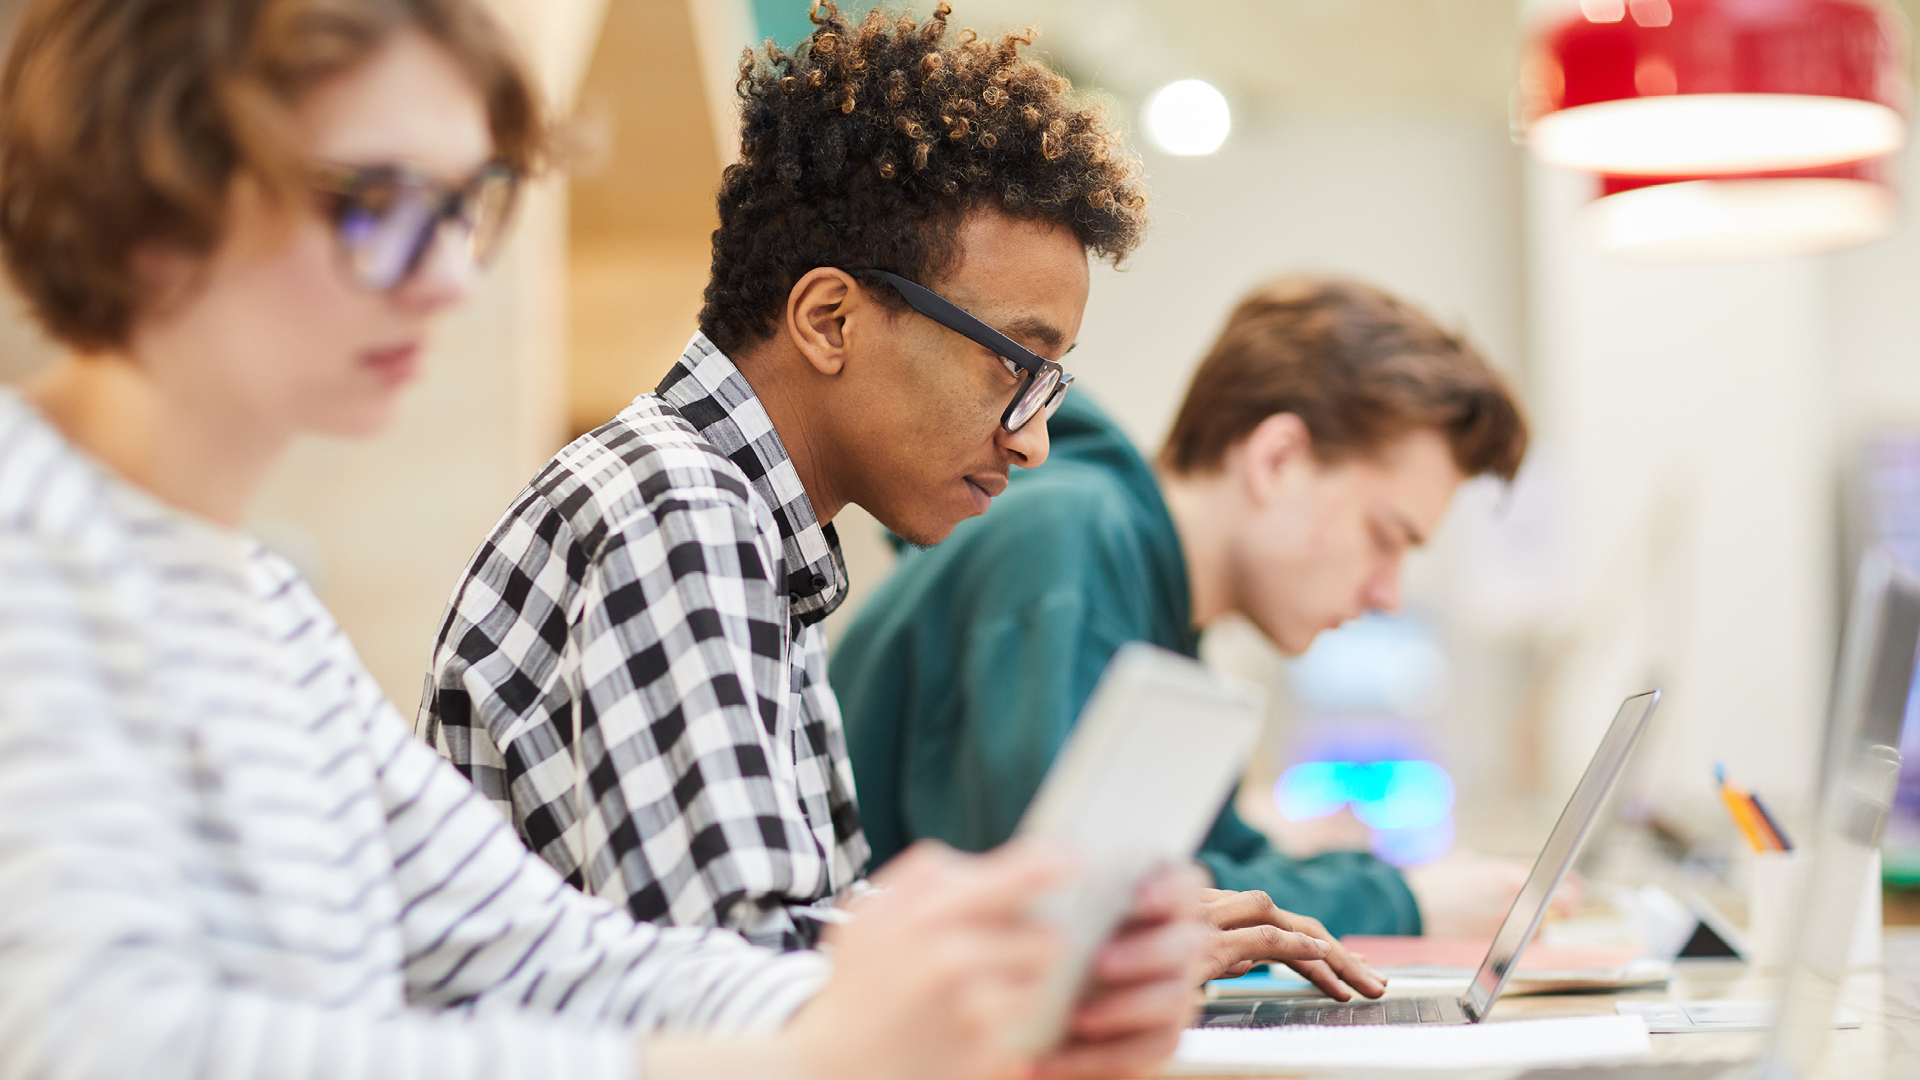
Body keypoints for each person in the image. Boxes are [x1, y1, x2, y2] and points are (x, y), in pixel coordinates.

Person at [0, 0, 1205, 1076]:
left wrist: (982, 1003)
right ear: (151, 192)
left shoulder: (258, 608)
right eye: (377, 207)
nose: (450, 282)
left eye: (471, 209)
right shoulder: (29, 552)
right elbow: (99, 1045)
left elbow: (548, 955)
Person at [416, 0, 1383, 997]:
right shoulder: (678, 508)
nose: (1036, 439)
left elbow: (794, 922)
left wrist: (1078, 930)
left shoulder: (748, 527)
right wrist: (1062, 952)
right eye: (1015, 366)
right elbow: (740, 988)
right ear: (830, 319)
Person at [831, 276, 1546, 942]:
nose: (1388, 592)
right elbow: (1064, 911)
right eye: (1385, 538)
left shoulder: (1156, 611)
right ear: (1278, 460)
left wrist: (1393, 886)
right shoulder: (1069, 543)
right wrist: (1405, 902)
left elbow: (1207, 863)